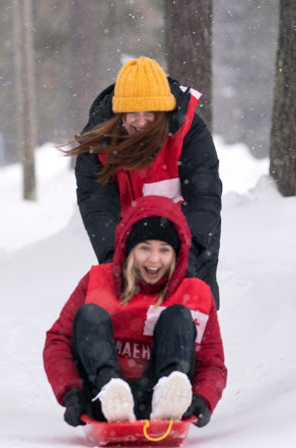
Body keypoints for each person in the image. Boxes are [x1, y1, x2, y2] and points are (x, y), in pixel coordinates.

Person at [43, 195, 226, 428]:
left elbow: (213, 361)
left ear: (177, 254)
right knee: (90, 315)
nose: (154, 260)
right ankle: (111, 392)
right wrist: (72, 392)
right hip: (102, 394)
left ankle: (168, 392)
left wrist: (203, 398)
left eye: (164, 250)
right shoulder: (98, 282)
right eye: (144, 248)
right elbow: (58, 341)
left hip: (163, 396)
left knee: (178, 316)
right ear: (129, 249)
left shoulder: (195, 293)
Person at [64, 56, 222, 307]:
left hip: (189, 245)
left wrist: (182, 259)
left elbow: (204, 200)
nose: (141, 120)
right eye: (132, 113)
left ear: (165, 110)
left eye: (150, 112)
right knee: (130, 328)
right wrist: (116, 262)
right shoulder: (98, 143)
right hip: (129, 249)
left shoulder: (190, 130)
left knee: (189, 322)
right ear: (119, 114)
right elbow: (97, 207)